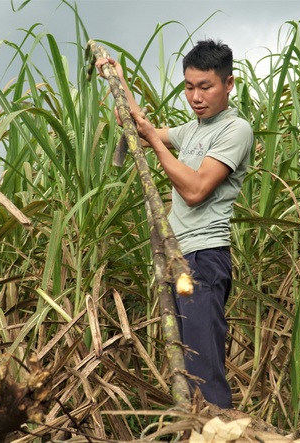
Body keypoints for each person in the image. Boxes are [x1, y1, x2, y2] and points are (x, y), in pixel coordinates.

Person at [96, 40, 253, 409]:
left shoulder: (235, 130)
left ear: (228, 84)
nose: (196, 97)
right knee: (186, 363)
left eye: (206, 86)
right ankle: (197, 429)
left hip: (204, 259)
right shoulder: (192, 130)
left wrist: (155, 141)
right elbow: (139, 125)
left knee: (203, 365)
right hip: (179, 259)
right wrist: (119, 82)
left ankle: (218, 430)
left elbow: (196, 190)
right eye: (189, 86)